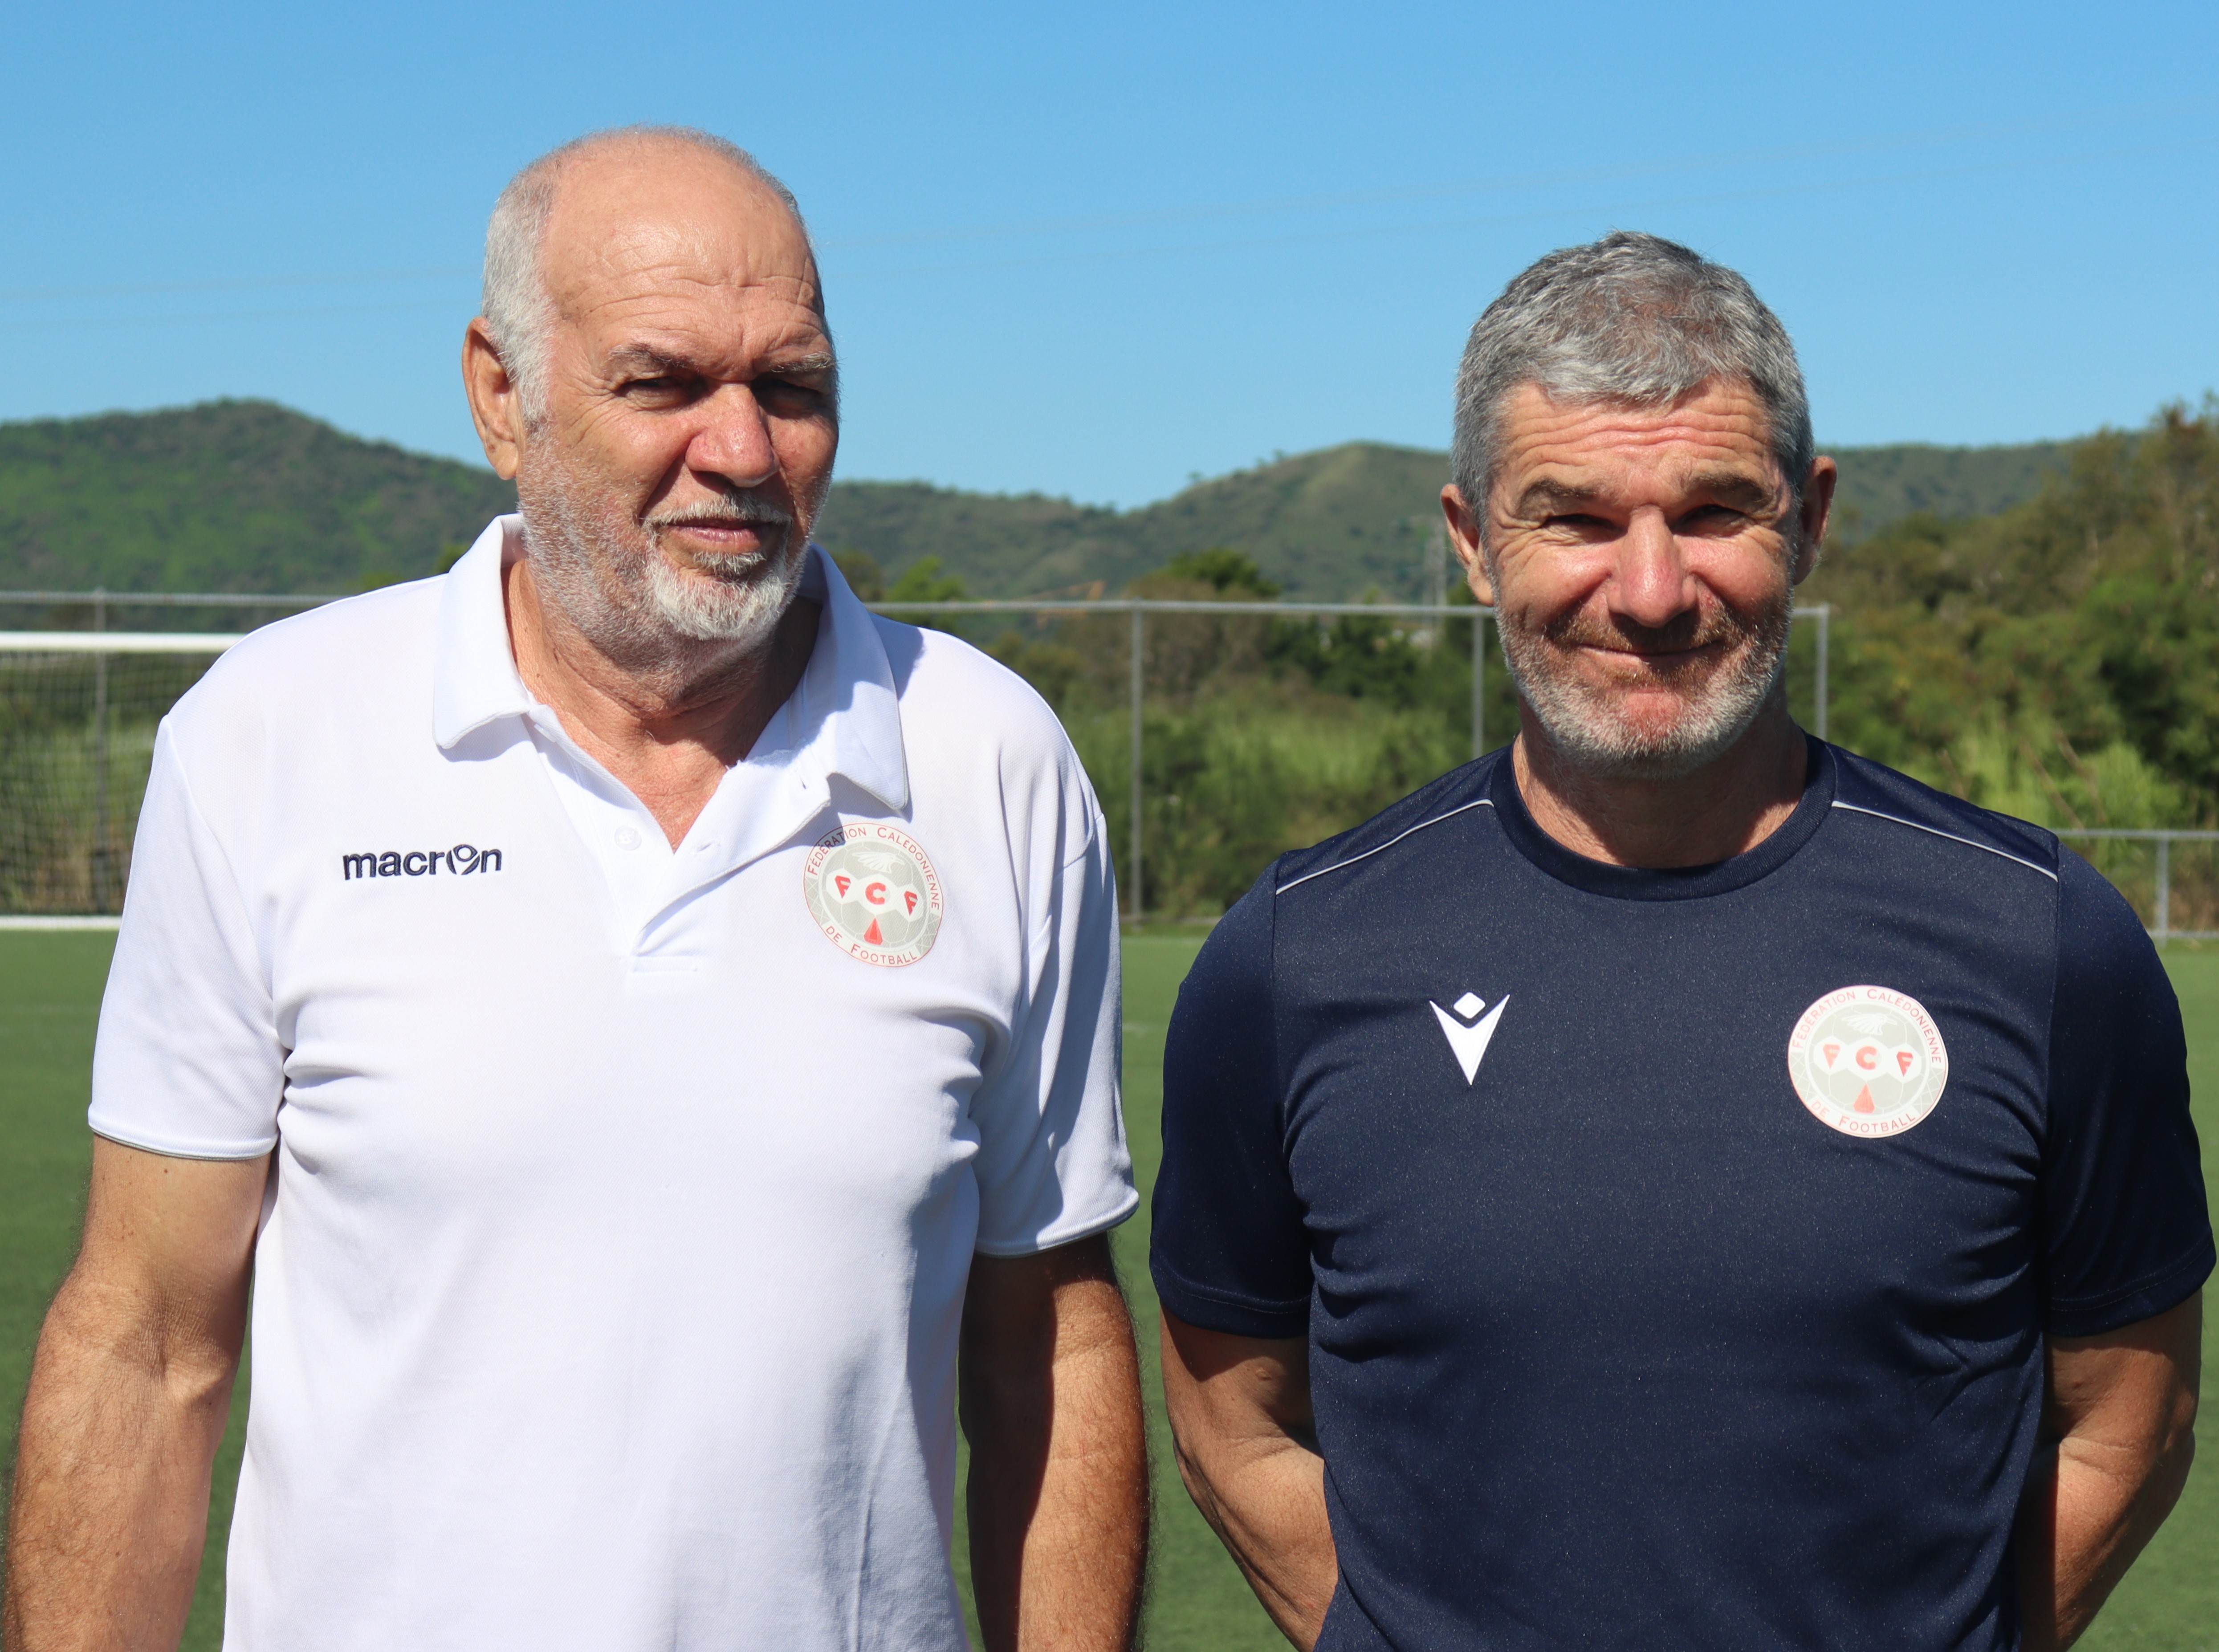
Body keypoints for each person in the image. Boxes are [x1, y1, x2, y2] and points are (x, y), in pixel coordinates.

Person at [4, 127, 1147, 1651]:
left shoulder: (989, 757)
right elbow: (147, 1348)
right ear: (503, 395)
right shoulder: (272, 738)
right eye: (663, 383)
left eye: (792, 388)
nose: (743, 450)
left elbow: (1045, 1343)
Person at [1150, 231, 2209, 1652]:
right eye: (1574, 520)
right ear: (1472, 544)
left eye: (1716, 510)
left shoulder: (2044, 939)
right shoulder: (1292, 960)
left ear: (1810, 521)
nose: (1650, 591)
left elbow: (2130, 1422)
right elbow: (1233, 1426)